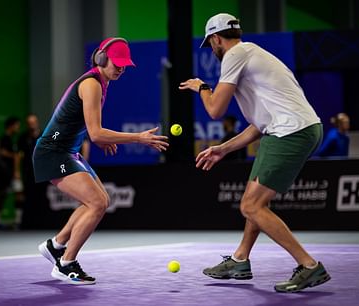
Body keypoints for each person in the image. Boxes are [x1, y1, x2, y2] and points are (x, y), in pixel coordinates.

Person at [179, 13, 330, 293]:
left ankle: (309, 266)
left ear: (215, 39)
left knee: (250, 205)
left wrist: (201, 87)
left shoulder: (235, 55)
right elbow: (258, 125)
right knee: (255, 200)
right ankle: (240, 260)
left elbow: (214, 110)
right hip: (297, 128)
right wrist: (223, 148)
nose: (212, 50)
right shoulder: (253, 54)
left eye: (211, 44)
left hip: (289, 132)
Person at [34, 37, 169, 285]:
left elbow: (88, 129)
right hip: (53, 152)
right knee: (96, 203)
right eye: (116, 63)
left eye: (124, 64)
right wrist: (138, 137)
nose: (120, 68)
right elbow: (96, 132)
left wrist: (102, 138)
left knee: (101, 200)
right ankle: (65, 263)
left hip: (67, 151)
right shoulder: (92, 84)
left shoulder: (101, 83)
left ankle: (56, 245)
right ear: (101, 59)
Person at [0, 116, 24, 229]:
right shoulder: (5, 138)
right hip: (8, 173)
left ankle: (18, 220)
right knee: (4, 195)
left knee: (18, 194)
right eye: (16, 125)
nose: (18, 127)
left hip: (11, 173)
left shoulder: (12, 138)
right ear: (11, 126)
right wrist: (15, 157)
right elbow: (2, 152)